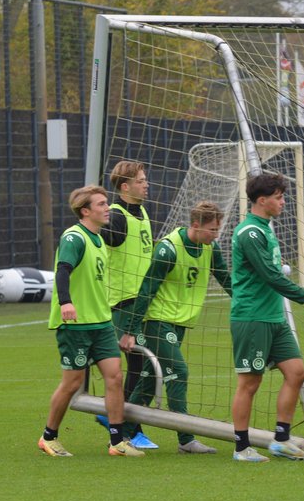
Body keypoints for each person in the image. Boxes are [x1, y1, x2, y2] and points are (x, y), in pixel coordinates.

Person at [229, 171, 304, 462]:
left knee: (297, 373)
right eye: (278, 197)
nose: (283, 202)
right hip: (252, 317)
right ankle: (241, 447)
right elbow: (271, 276)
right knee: (249, 383)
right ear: (262, 201)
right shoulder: (249, 232)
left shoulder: (265, 228)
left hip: (273, 317)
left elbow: (271, 269)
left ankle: (281, 441)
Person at [118, 201, 233, 454]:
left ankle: (120, 434)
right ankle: (186, 439)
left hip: (179, 323)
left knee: (148, 380)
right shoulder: (168, 250)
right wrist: (130, 330)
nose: (216, 234)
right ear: (195, 225)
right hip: (157, 322)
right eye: (212, 229)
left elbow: (224, 277)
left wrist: (246, 301)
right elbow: (146, 291)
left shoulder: (210, 248)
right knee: (178, 372)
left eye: (218, 229)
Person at [40, 185, 144, 457]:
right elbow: (63, 271)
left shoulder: (99, 240)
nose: (107, 207)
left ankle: (117, 441)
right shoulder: (75, 238)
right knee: (72, 383)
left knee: (114, 377)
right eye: (101, 204)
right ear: (85, 211)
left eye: (106, 202)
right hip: (76, 326)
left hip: (101, 323)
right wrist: (66, 302)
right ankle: (48, 437)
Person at [96, 159, 159, 449]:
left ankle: (121, 421)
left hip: (141, 299)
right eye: (141, 180)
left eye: (145, 179)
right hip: (124, 301)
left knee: (139, 366)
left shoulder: (142, 211)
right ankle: (127, 428)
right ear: (125, 186)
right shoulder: (117, 216)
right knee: (141, 363)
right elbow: (106, 236)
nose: (146, 184)